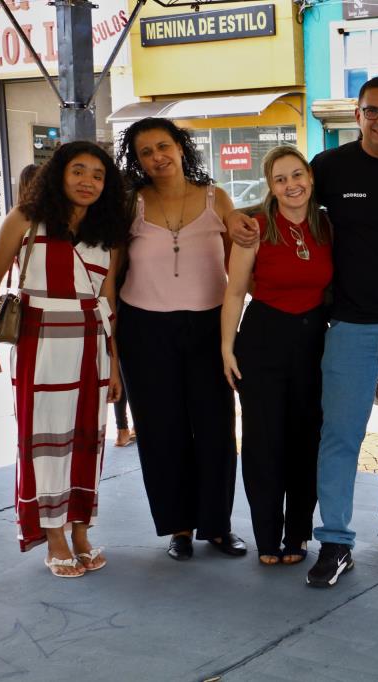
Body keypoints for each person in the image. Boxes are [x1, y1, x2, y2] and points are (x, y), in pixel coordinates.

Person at [228, 77, 378, 588]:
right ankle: (336, 541)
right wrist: (233, 216)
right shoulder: (331, 166)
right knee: (340, 435)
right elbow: (284, 198)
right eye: (372, 111)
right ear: (358, 115)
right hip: (348, 324)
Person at [0, 141, 127, 577]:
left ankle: (80, 530)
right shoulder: (26, 219)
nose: (88, 181)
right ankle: (54, 536)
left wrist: (114, 364)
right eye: (78, 170)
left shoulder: (108, 232)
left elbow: (108, 301)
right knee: (44, 441)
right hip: (39, 341)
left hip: (91, 345)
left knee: (87, 440)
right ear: (59, 173)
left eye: (98, 175)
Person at [116, 117, 246, 561]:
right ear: (137, 160)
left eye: (163, 146)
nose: (157, 157)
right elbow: (112, 272)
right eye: (146, 152)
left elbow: (239, 271)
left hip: (208, 328)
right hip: (144, 330)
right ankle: (179, 528)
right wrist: (109, 343)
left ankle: (217, 526)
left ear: (180, 147)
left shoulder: (216, 198)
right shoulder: (130, 203)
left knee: (216, 428)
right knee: (161, 431)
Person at [222, 146, 332, 566]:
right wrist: (226, 347)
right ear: (270, 187)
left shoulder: (327, 226)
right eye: (280, 179)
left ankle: (298, 532)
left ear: (310, 177)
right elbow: (235, 292)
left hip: (313, 344)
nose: (291, 185)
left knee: (307, 441)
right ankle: (267, 535)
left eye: (297, 175)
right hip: (263, 340)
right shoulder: (256, 228)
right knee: (264, 442)